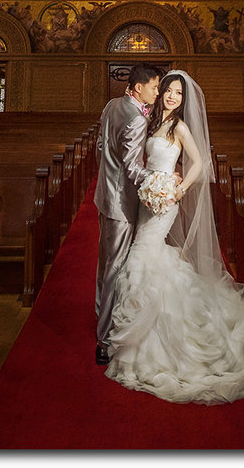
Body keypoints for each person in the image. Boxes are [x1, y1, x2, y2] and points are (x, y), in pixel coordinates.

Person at [104, 70, 244, 404]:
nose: (172, 97)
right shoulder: (151, 121)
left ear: (184, 99)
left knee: (143, 254)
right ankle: (146, 334)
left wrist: (177, 188)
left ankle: (160, 339)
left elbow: (200, 162)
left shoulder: (179, 127)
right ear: (161, 91)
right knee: (144, 254)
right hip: (146, 196)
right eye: (169, 90)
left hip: (164, 199)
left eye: (179, 94)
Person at [93, 63, 171, 366]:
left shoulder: (113, 105)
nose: (158, 92)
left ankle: (102, 316)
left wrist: (108, 175)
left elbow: (101, 145)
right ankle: (104, 341)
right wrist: (158, 184)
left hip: (105, 196)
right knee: (114, 269)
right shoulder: (137, 118)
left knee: (106, 265)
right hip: (121, 204)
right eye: (155, 87)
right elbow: (132, 165)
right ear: (139, 88)